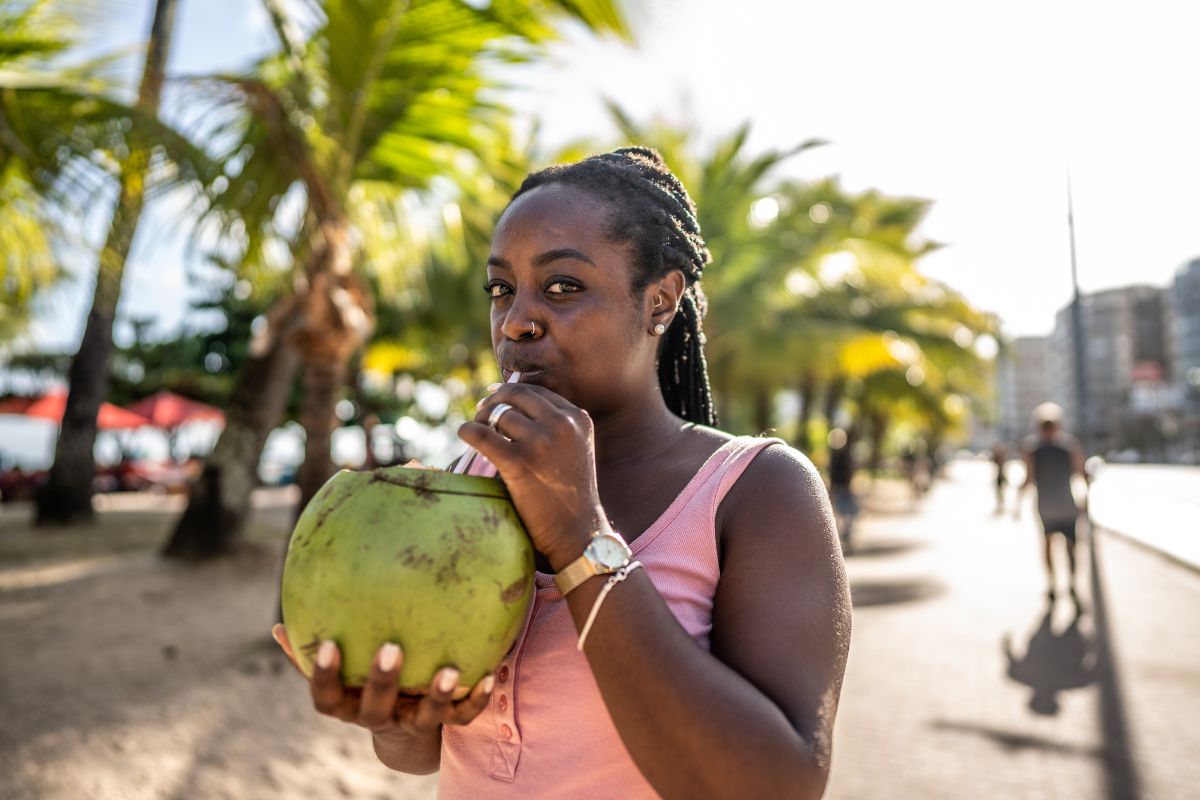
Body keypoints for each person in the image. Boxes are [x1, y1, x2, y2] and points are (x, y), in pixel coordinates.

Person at [272, 147, 851, 798]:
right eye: (501, 289)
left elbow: (778, 785)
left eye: (563, 287)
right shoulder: (467, 481)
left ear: (660, 301)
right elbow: (424, 750)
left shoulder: (758, 490)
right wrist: (394, 716)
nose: (516, 321)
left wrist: (581, 538)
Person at [1017, 402, 1087, 613]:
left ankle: (1053, 585)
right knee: (1071, 547)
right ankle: (1072, 584)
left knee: (1047, 545)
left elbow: (1028, 480)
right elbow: (1081, 474)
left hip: (1046, 505)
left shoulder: (1032, 449)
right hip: (1067, 504)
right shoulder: (1070, 446)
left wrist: (1016, 502)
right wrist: (1085, 501)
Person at [826, 427, 858, 551]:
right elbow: (832, 474)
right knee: (841, 513)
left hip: (844, 488)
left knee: (848, 512)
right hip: (840, 488)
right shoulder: (834, 456)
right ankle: (841, 538)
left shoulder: (845, 455)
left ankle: (846, 534)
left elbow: (849, 473)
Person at [990, 442, 1010, 515]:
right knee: (999, 494)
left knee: (1001, 494)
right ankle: (1000, 507)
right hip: (999, 478)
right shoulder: (998, 459)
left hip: (1001, 477)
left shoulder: (1002, 459)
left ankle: (1001, 507)